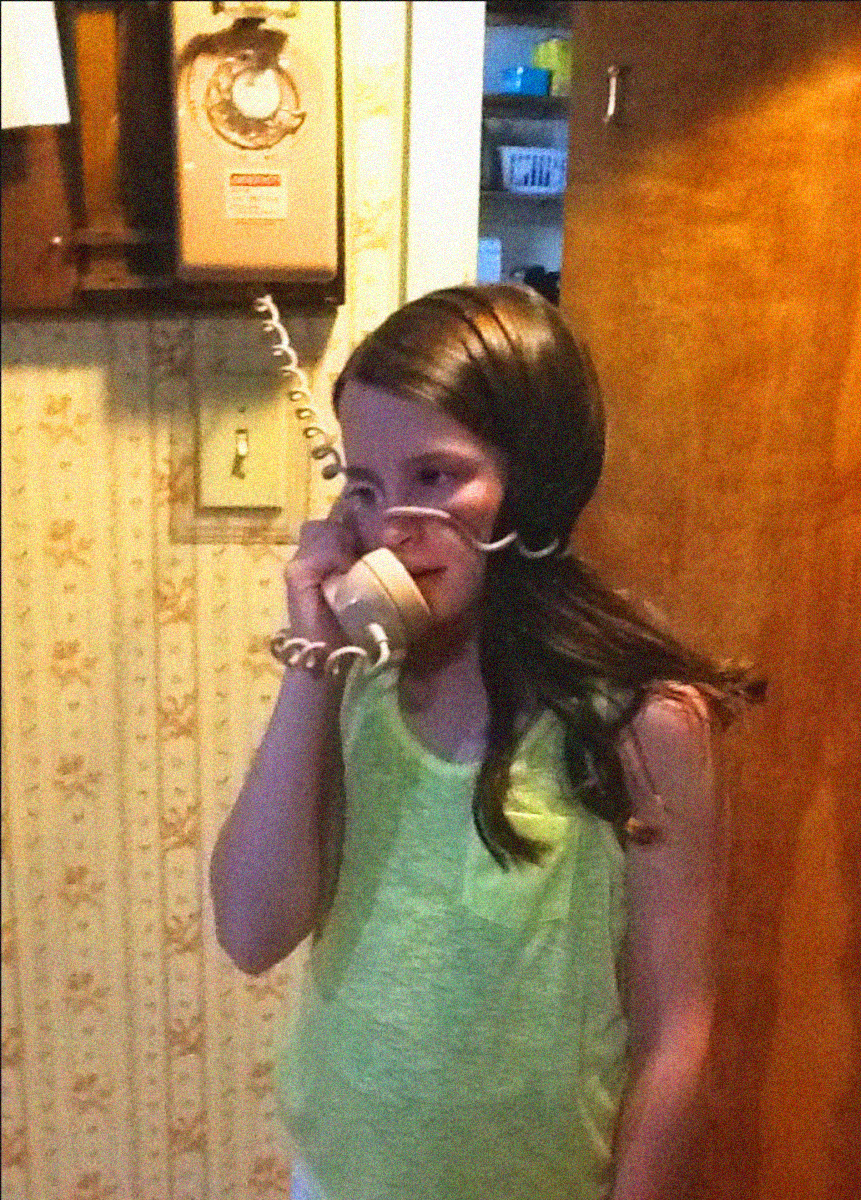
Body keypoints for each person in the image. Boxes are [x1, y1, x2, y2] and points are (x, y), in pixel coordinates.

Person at [210, 284, 762, 1200]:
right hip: (337, 1181)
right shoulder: (360, 683)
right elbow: (251, 931)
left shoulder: (644, 724)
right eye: (367, 487)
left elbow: (676, 1037)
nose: (393, 529)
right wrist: (312, 661)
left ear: (532, 482)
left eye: (437, 477)